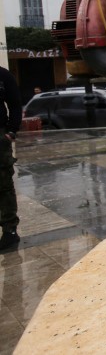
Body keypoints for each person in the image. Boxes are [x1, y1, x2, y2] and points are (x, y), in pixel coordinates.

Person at [0, 67, 22, 253]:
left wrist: (11, 131)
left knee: (4, 184)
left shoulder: (3, 75)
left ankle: (9, 231)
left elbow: (15, 104)